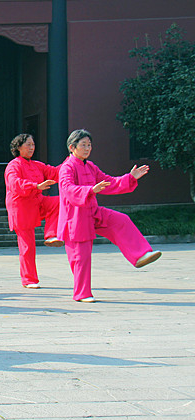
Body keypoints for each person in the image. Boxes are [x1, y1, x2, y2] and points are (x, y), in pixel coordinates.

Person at [58, 129, 161, 302]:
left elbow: (110, 182)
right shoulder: (66, 168)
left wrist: (130, 178)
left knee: (121, 220)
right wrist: (90, 190)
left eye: (89, 145)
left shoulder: (90, 167)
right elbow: (67, 189)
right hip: (75, 217)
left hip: (93, 212)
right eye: (83, 145)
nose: (87, 148)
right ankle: (82, 294)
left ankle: (140, 254)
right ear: (72, 147)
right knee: (81, 258)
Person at [4, 133, 63, 289]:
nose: (32, 147)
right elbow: (14, 183)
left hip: (37, 202)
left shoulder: (37, 164)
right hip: (21, 208)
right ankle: (29, 280)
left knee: (59, 202)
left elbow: (55, 172)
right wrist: (36, 186)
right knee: (27, 247)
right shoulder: (14, 165)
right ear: (18, 147)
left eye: (33, 144)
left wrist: (73, 159)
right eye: (28, 144)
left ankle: (51, 234)